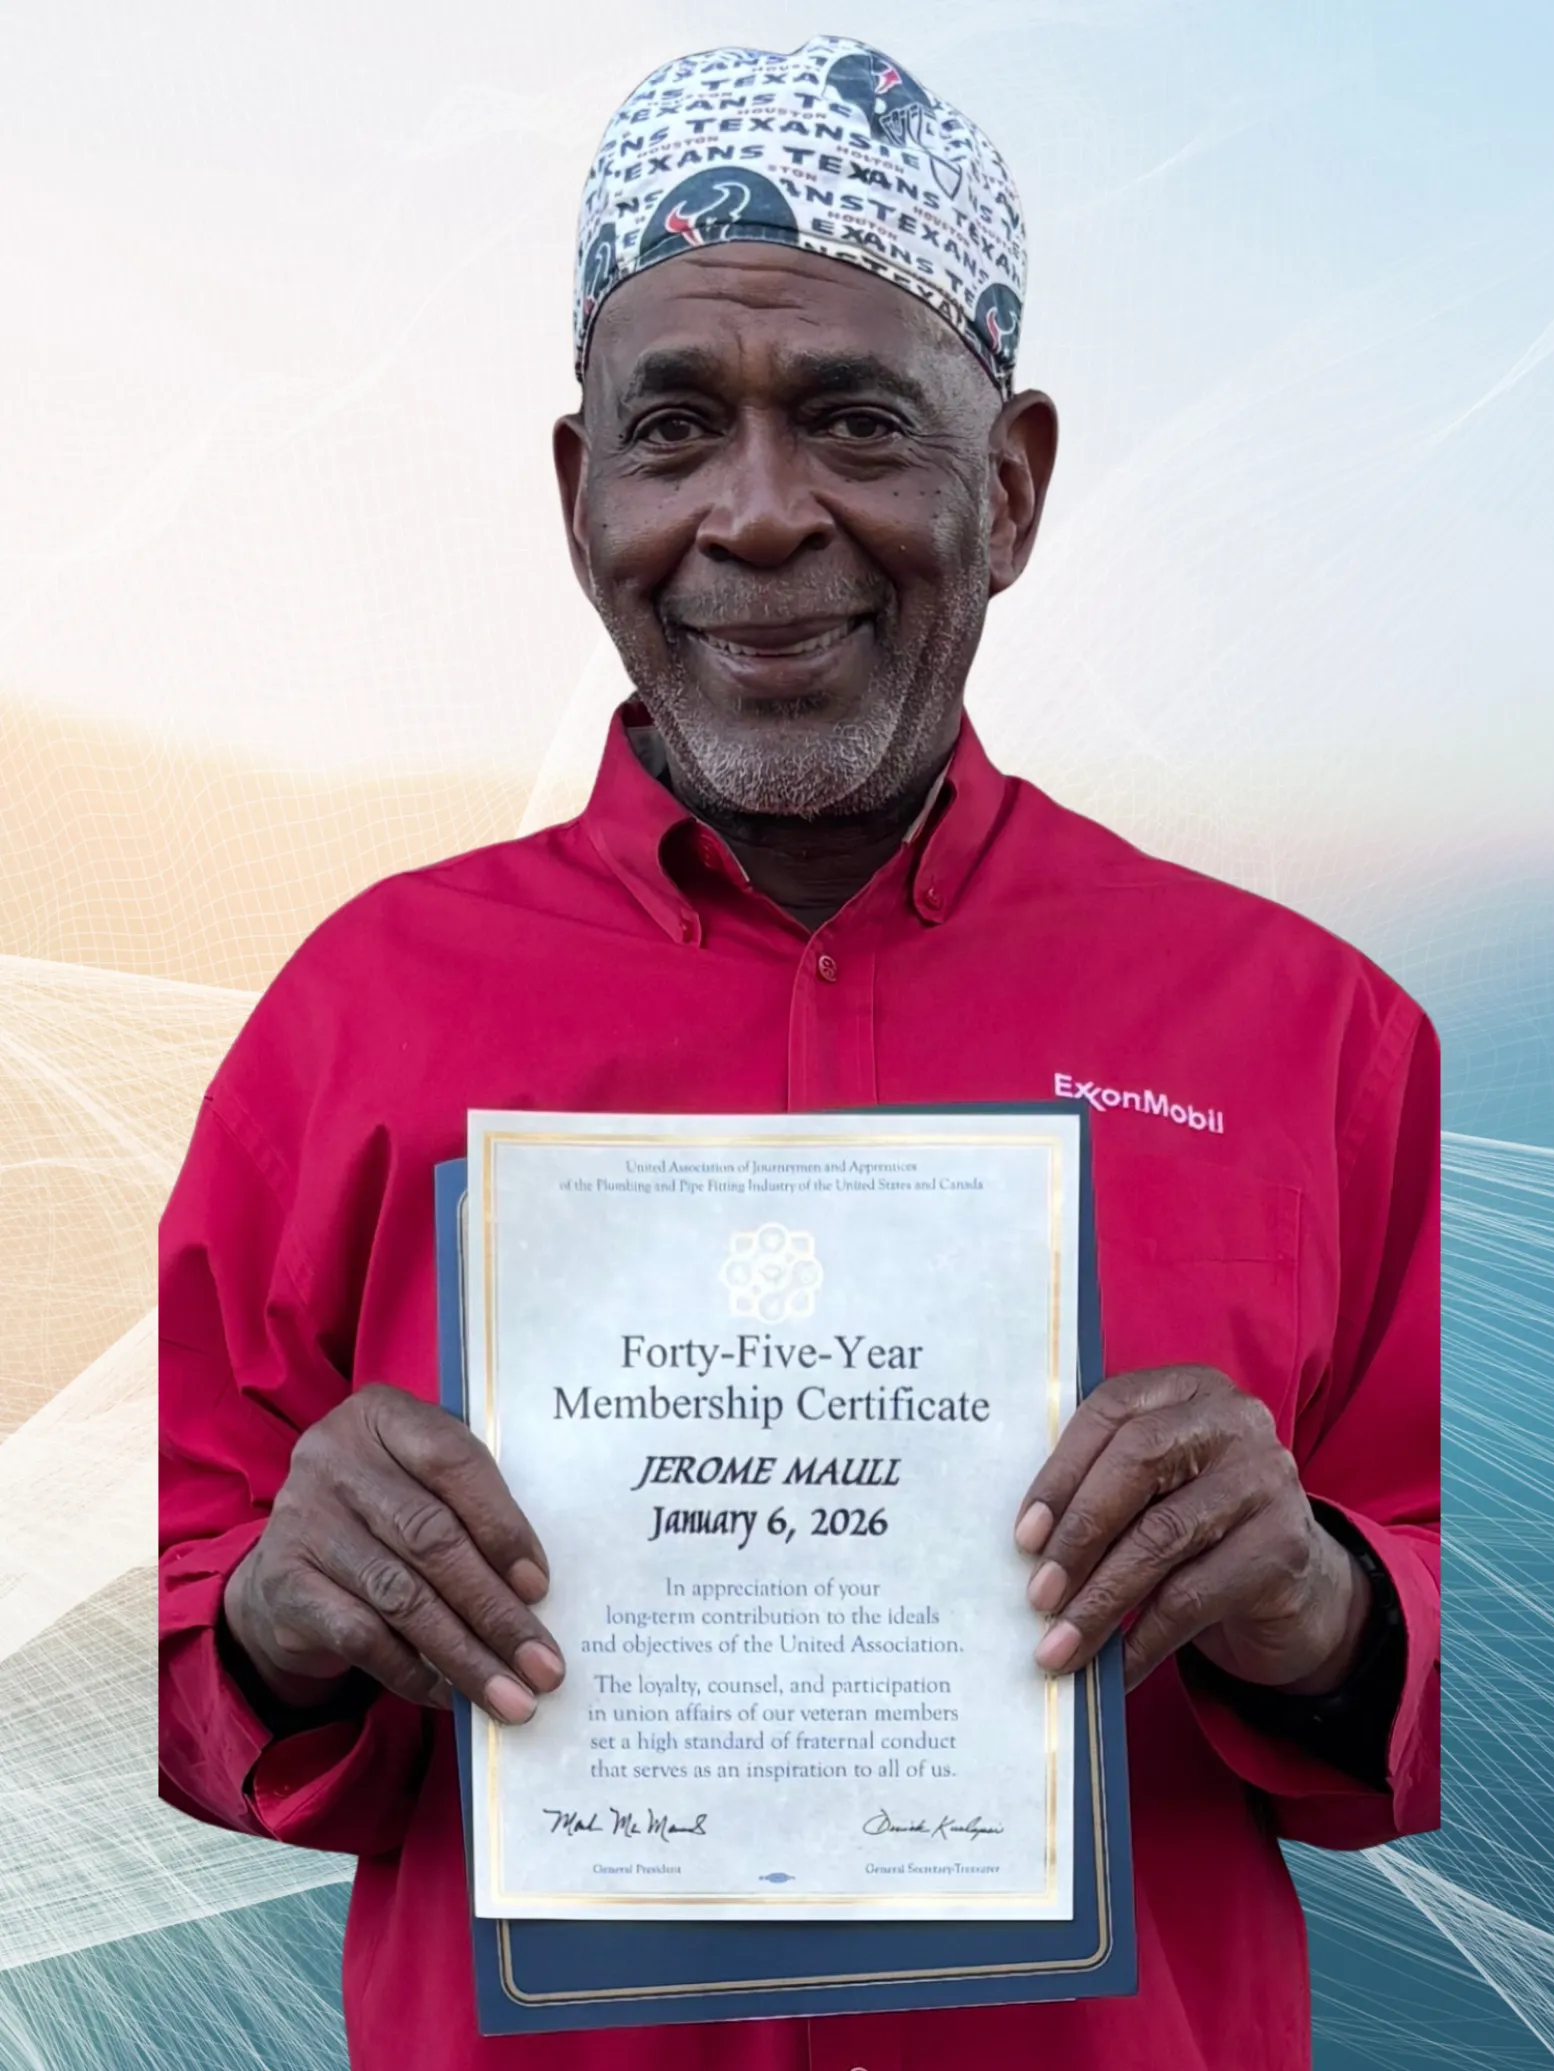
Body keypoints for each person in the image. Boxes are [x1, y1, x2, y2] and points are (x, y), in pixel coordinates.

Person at [158, 35, 1440, 2071]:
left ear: (1002, 486)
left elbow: (1444, 1648)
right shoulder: (352, 1017)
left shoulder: (1314, 1038)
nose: (755, 521)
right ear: (578, 487)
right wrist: (270, 1623)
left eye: (852, 420)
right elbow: (186, 1647)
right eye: (670, 431)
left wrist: (1319, 1605)